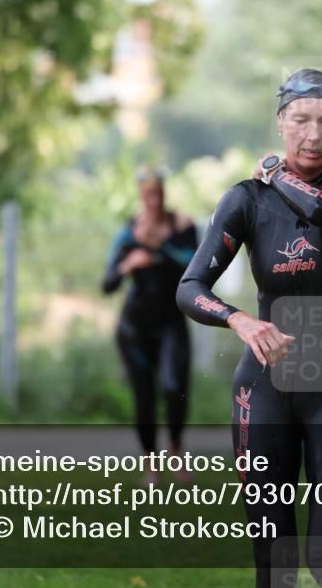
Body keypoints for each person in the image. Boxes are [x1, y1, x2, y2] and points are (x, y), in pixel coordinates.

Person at [176, 69, 322, 587]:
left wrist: (274, 171)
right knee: (276, 565)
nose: (313, 135)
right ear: (280, 122)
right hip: (264, 387)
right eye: (300, 121)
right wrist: (239, 318)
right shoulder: (246, 199)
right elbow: (190, 286)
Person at [102, 168, 198, 483]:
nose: (153, 200)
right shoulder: (129, 232)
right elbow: (108, 283)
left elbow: (195, 267)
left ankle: (176, 451)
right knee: (144, 396)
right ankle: (150, 465)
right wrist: (129, 263)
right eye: (147, 194)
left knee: (174, 389)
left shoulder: (182, 226)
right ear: (141, 196)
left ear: (164, 193)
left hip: (171, 323)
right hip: (135, 329)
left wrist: (158, 247)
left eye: (157, 193)